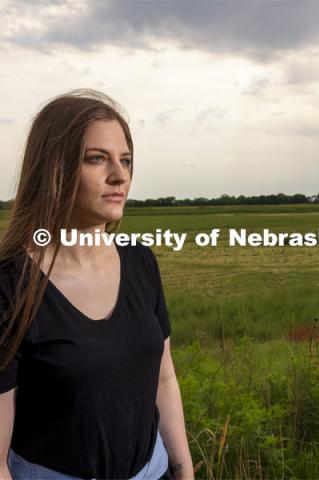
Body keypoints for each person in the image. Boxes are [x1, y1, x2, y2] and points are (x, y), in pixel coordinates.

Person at [0, 89, 194, 480]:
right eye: (96, 159)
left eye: (125, 160)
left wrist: (184, 471)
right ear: (53, 168)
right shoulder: (10, 285)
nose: (119, 176)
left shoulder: (139, 261)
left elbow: (164, 378)